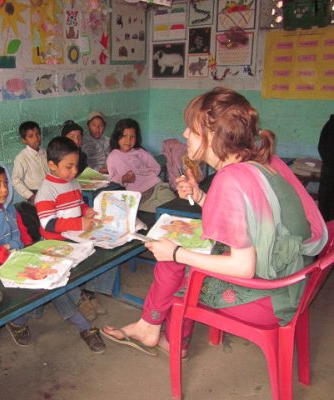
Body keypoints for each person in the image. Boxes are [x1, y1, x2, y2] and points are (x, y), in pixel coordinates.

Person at [101, 87, 327, 358]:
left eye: (191, 129)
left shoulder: (230, 179)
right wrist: (201, 196)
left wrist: (175, 252)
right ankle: (151, 328)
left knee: (175, 263)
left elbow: (243, 267)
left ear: (212, 135)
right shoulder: (264, 160)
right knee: (178, 257)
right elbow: (250, 219)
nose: (184, 134)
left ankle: (164, 335)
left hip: (268, 295)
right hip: (292, 277)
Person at [0, 162, 105, 353]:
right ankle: (79, 325)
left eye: (6, 183)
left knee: (56, 272)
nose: (5, 189)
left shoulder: (9, 209)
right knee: (47, 280)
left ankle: (27, 320)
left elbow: (24, 236)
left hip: (20, 258)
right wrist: (26, 261)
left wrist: (28, 251)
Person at [35, 136, 116, 329]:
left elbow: (78, 203)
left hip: (74, 237)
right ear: (52, 165)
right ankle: (79, 301)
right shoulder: (46, 191)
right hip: (54, 242)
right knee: (63, 274)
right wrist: (80, 223)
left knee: (107, 251)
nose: (74, 171)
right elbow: (49, 224)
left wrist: (86, 210)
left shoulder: (72, 182)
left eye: (76, 166)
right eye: (69, 166)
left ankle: (88, 293)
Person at [106, 118, 175, 213]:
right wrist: (123, 179)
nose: (128, 140)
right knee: (163, 213)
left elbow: (156, 167)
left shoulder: (139, 151)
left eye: (132, 137)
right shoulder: (113, 157)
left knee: (174, 208)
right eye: (124, 136)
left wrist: (147, 177)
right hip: (140, 199)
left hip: (157, 188)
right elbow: (112, 177)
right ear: (117, 136)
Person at [12, 121, 49, 203]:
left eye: (38, 134)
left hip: (50, 191)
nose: (36, 139)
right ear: (24, 140)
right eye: (31, 136)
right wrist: (30, 196)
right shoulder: (21, 158)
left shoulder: (45, 152)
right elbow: (15, 181)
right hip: (35, 195)